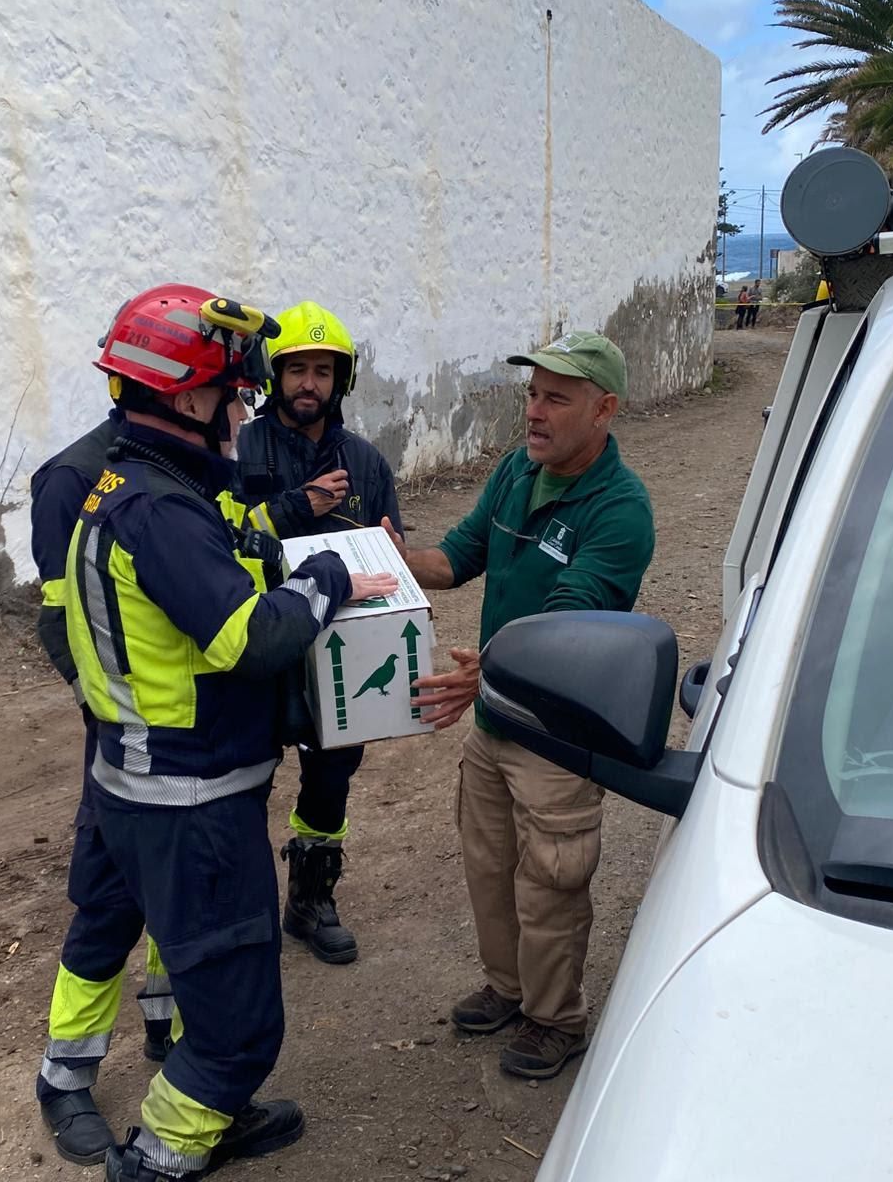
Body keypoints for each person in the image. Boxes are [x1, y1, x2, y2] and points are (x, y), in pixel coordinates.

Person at [41, 283, 397, 1181]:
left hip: (139, 777)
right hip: (188, 799)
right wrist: (323, 584)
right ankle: (160, 1158)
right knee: (240, 1024)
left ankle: (204, 1114)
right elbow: (250, 639)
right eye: (234, 392)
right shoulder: (157, 508)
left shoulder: (135, 483)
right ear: (188, 397)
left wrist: (286, 549)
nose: (244, 408)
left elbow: (228, 547)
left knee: (183, 968)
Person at [381, 331, 654, 1081]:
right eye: (531, 394)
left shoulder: (621, 511)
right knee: (490, 868)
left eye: (555, 398)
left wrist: (487, 670)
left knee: (551, 883)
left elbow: (568, 622)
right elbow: (457, 558)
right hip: (495, 723)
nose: (534, 412)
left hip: (557, 739)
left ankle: (555, 1018)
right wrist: (392, 559)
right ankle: (509, 989)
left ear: (604, 410)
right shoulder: (514, 473)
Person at [236, 300, 402, 965]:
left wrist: (390, 550)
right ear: (275, 377)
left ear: (342, 381)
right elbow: (214, 543)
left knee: (331, 777)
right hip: (256, 645)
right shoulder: (239, 451)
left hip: (340, 651)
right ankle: (241, 910)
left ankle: (310, 898)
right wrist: (291, 508)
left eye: (322, 372)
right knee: (243, 778)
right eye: (296, 370)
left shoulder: (366, 464)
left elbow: (392, 559)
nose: (309, 383)